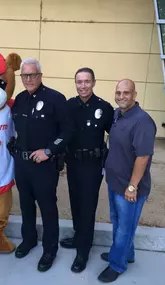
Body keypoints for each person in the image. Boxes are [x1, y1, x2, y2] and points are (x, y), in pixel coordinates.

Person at [10, 58, 73, 272]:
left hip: (44, 166)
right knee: (26, 205)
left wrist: (49, 151)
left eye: (32, 75)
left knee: (47, 208)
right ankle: (29, 240)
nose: (29, 79)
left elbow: (67, 131)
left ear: (40, 75)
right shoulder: (18, 99)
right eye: (25, 75)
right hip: (22, 163)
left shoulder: (55, 98)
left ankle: (49, 249)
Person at [98, 79, 156, 283]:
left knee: (125, 227)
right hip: (115, 182)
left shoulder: (142, 121)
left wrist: (132, 186)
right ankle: (125, 254)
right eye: (119, 92)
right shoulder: (117, 114)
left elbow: (142, 157)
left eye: (126, 93)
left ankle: (117, 264)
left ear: (134, 95)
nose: (122, 96)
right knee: (119, 222)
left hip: (130, 188)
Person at [59, 68, 114, 273]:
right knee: (75, 202)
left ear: (93, 82)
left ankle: (83, 250)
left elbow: (115, 134)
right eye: (79, 81)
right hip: (73, 163)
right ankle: (77, 236)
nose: (83, 85)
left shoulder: (104, 107)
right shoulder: (69, 105)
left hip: (93, 165)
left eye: (87, 81)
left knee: (88, 206)